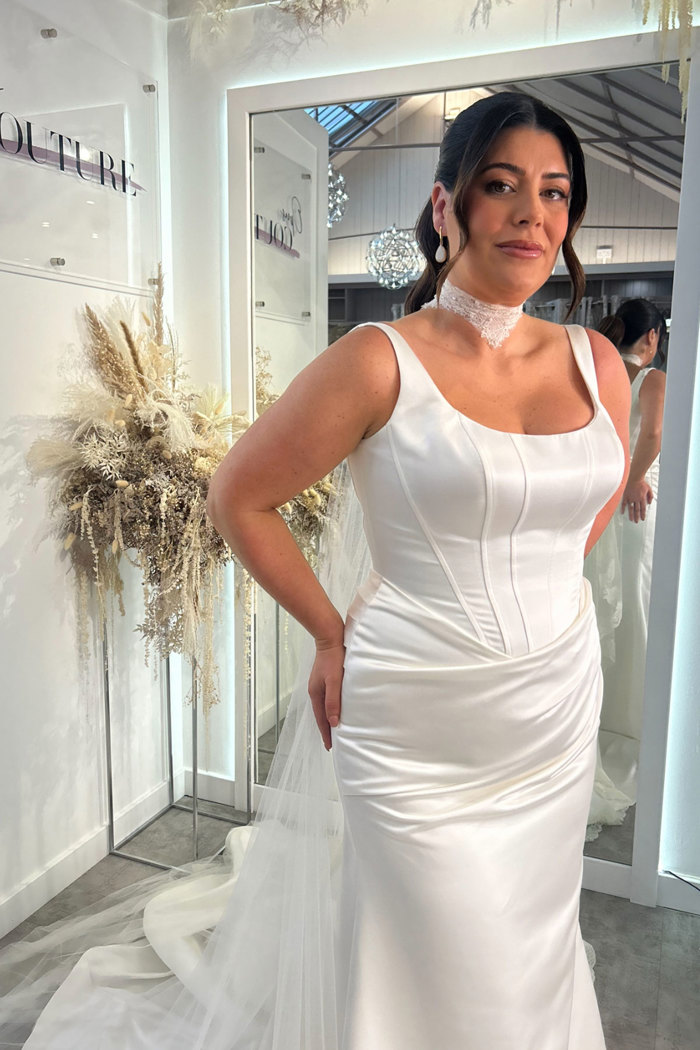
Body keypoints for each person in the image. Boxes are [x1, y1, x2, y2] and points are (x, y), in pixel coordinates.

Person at [0, 92, 630, 1050]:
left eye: (555, 193)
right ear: (444, 205)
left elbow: (582, 513)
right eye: (501, 186)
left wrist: (552, 600)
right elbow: (238, 497)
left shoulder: (597, 363)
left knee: (532, 933)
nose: (531, 214)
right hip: (414, 706)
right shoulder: (378, 360)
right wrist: (333, 631)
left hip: (550, 704)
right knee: (433, 943)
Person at [586, 301, 666, 831]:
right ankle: (634, 726)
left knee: (600, 612)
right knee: (635, 609)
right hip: (634, 509)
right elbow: (654, 434)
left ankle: (600, 718)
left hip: (599, 510)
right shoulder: (652, 377)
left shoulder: (600, 369)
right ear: (653, 338)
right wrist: (633, 478)